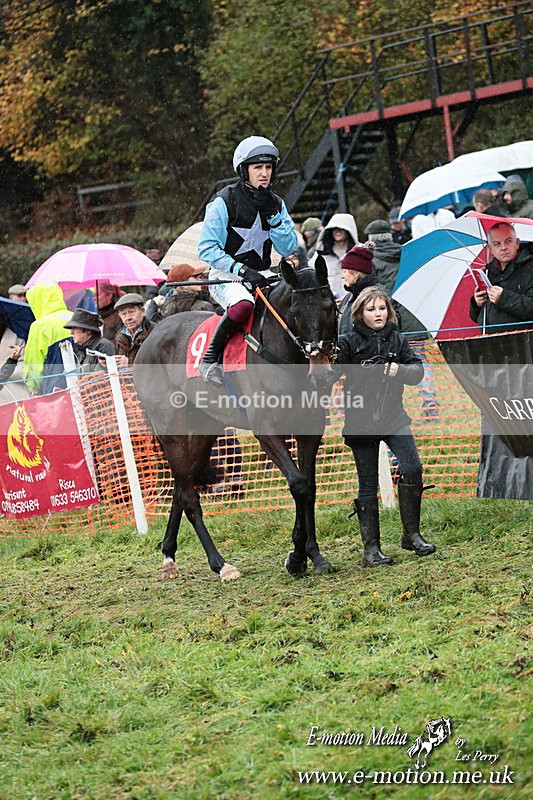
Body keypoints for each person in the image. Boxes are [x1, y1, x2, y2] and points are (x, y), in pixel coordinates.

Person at [337, 286, 436, 567]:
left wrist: (399, 370)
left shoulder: (398, 339)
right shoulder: (348, 341)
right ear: (360, 312)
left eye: (381, 308)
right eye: (371, 309)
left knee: (412, 467)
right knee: (367, 484)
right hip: (360, 420)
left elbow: (417, 371)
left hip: (394, 417)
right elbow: (331, 374)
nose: (377, 314)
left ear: (388, 311)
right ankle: (371, 551)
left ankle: (412, 535)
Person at [197, 135, 297, 386]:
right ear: (244, 170)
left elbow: (289, 247)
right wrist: (241, 270)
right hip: (225, 276)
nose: (264, 173)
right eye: (257, 168)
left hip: (262, 273)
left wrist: (273, 216)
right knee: (243, 305)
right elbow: (207, 249)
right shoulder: (223, 201)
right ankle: (209, 359)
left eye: (268, 167)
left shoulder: (276, 203)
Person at [364, 219, 439, 420]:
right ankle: (430, 400)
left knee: (388, 364)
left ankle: (391, 407)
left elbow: (373, 291)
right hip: (413, 314)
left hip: (388, 318)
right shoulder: (405, 253)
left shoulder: (371, 261)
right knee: (419, 359)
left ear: (371, 239)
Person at [469, 221, 533, 334]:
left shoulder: (530, 268)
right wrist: (477, 304)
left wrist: (503, 298)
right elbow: (478, 318)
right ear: (490, 248)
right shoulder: (488, 272)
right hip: (491, 343)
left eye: (508, 241)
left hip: (523, 343)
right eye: (497, 244)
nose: (503, 247)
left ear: (517, 243)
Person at [23, 282, 73, 395]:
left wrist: (34, 389)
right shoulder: (75, 317)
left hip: (55, 388)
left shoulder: (39, 326)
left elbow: (33, 365)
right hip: (83, 384)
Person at [337, 244, 391, 335]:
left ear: (356, 273)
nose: (342, 276)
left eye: (344, 271)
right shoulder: (349, 297)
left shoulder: (379, 295)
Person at [146, 262, 217, 323]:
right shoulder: (204, 306)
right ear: (184, 284)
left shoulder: (166, 308)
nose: (200, 279)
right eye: (195, 277)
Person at [309, 213, 359, 298]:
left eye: (341, 228)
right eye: (334, 228)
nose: (337, 231)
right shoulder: (320, 254)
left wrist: (349, 298)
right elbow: (311, 278)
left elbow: (367, 283)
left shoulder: (359, 254)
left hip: (353, 305)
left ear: (349, 230)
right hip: (327, 306)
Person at [64, 308, 114, 372]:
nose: (71, 332)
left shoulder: (103, 346)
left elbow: (103, 377)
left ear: (88, 331)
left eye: (75, 328)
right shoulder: (82, 351)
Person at [114, 293, 154, 366]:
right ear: (120, 316)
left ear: (142, 311)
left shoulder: (155, 331)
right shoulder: (119, 335)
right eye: (124, 314)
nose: (128, 318)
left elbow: (158, 363)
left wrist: (130, 363)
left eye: (131, 312)